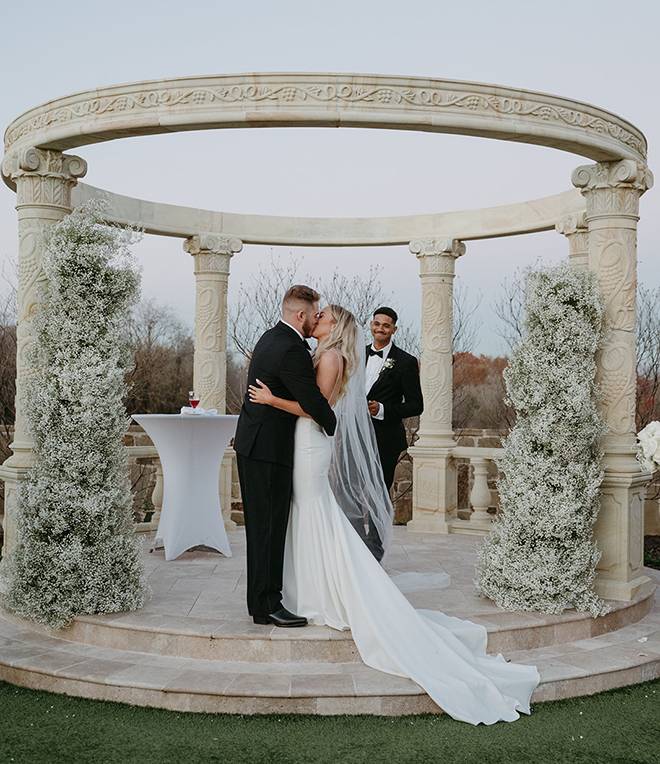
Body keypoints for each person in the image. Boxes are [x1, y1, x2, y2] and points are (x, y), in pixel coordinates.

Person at [248, 304, 540, 725]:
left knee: (314, 513)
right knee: (311, 515)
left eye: (324, 316)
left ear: (334, 326)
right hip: (303, 443)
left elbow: (317, 408)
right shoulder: (326, 353)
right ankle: (306, 589)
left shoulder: (330, 357)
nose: (318, 319)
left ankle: (321, 592)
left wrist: (272, 398)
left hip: (310, 443)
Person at [234, 285, 336, 628]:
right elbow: (314, 403)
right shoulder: (291, 349)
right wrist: (332, 420)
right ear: (301, 315)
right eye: (314, 312)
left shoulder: (270, 336)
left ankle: (263, 604)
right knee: (268, 528)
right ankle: (268, 604)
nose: (316, 318)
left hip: (258, 445)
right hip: (268, 450)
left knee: (265, 527)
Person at [364, 306, 423, 559]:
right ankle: (352, 546)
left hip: (385, 439)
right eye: (377, 324)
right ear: (371, 325)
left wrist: (382, 409)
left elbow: (416, 404)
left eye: (386, 325)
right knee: (351, 489)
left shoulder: (406, 362)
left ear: (394, 329)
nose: (380, 328)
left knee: (379, 492)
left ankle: (374, 549)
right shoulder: (356, 354)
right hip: (353, 435)